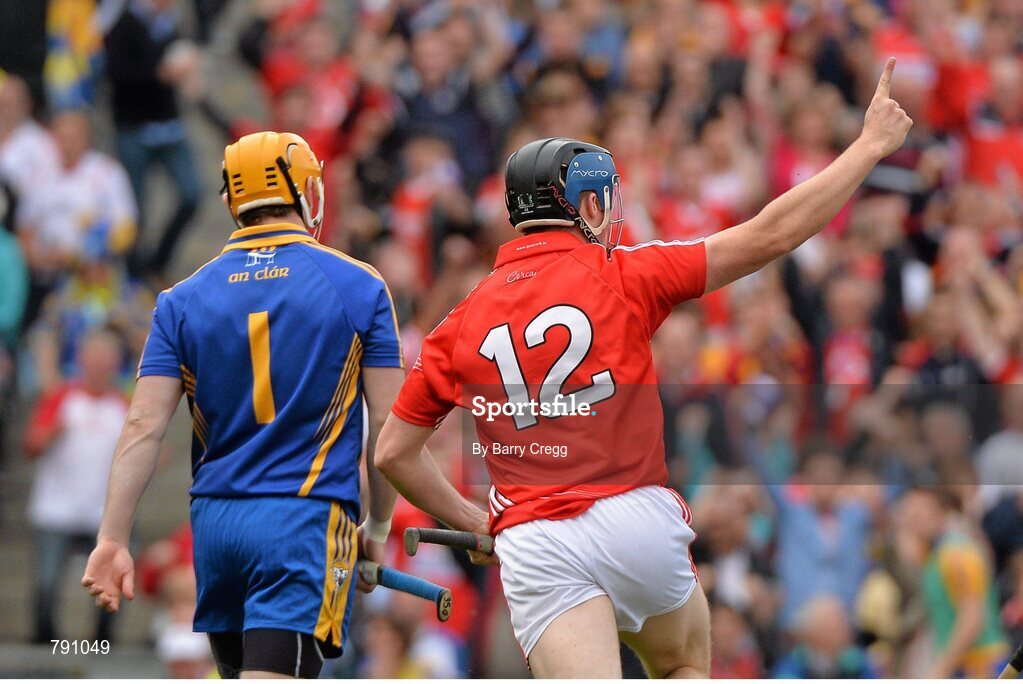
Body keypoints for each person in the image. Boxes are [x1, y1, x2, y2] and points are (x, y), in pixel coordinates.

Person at [372, 59, 912, 677]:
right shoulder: (625, 272)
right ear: (583, 205)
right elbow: (771, 235)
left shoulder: (459, 319)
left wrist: (473, 519)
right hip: (635, 520)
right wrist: (868, 147)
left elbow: (393, 453)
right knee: (683, 663)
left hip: (534, 539)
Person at [82, 131, 405, 678]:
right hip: (301, 519)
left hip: (215, 525)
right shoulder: (360, 285)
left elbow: (143, 424)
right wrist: (376, 528)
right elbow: (391, 432)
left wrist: (113, 537)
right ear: (307, 192)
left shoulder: (179, 299)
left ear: (233, 202)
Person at [23, 327, 127, 644]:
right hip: (56, 510)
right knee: (47, 581)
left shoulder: (123, 405)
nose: (99, 365)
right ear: (81, 359)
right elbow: (31, 445)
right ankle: (44, 642)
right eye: (93, 357)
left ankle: (104, 641)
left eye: (106, 358)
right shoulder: (60, 398)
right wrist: (51, 434)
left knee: (114, 581)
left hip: (103, 515)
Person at [898, 487, 1009, 678]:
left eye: (921, 513)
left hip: (980, 666)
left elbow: (972, 619)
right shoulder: (935, 557)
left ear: (941, 513)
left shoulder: (955, 553)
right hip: (963, 666)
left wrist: (940, 670)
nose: (913, 520)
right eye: (909, 515)